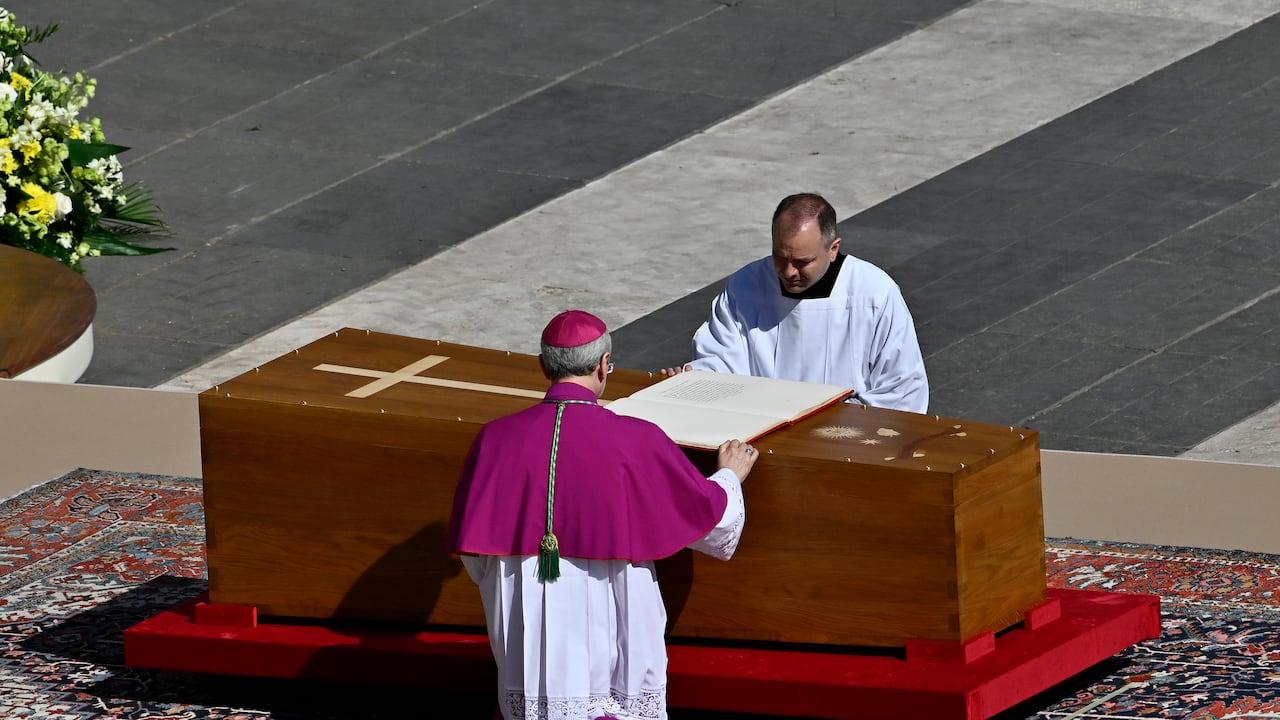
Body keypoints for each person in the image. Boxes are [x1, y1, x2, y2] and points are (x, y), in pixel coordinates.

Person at [447, 309, 758, 720]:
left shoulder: (495, 439)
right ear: (603, 365)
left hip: (526, 630)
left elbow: (476, 557)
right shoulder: (638, 439)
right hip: (611, 617)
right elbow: (710, 519)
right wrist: (729, 476)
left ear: (543, 366)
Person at [663, 192, 929, 413]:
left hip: (845, 436)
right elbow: (721, 360)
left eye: (803, 262)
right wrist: (695, 379)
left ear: (833, 249)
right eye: (780, 257)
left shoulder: (874, 294)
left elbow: (901, 388)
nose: (789, 272)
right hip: (759, 428)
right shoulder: (745, 286)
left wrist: (829, 422)